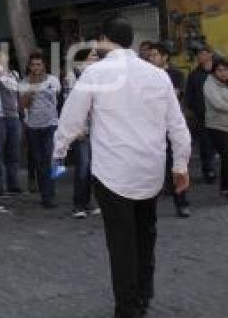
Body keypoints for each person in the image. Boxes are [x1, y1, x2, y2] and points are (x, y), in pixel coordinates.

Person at [54, 16, 190, 318]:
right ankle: (143, 293)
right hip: (150, 170)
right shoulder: (158, 75)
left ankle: (128, 307)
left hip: (113, 173)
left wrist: (59, 150)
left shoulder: (95, 73)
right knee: (146, 234)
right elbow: (177, 125)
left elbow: (72, 118)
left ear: (103, 40)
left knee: (121, 243)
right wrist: (180, 165)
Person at [148, 43, 191, 218]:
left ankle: (181, 202)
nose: (151, 58)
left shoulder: (176, 74)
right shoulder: (147, 75)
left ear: (165, 56)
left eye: (155, 55)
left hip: (171, 125)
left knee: (177, 164)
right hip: (151, 126)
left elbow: (172, 96)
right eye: (149, 55)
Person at [21, 52, 62, 209]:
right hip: (33, 127)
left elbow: (57, 99)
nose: (36, 67)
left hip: (51, 125)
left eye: (39, 64)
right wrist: (31, 89)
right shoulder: (24, 82)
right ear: (29, 67)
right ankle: (46, 193)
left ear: (44, 65)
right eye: (33, 65)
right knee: (39, 162)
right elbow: (23, 105)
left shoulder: (53, 80)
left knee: (51, 160)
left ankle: (49, 194)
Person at [65, 47, 100, 218]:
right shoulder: (73, 76)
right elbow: (69, 103)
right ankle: (78, 204)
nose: (96, 58)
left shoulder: (97, 77)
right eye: (92, 55)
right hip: (82, 129)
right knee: (83, 167)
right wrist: (77, 128)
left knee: (92, 168)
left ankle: (88, 202)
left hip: (97, 129)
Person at [0, 52, 21, 197]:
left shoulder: (15, 75)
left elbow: (18, 95)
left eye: (1, 56)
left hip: (13, 116)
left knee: (13, 152)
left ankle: (13, 183)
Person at [185, 45, 217, 183]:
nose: (200, 56)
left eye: (203, 53)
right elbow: (189, 95)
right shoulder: (194, 75)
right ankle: (209, 171)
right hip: (203, 116)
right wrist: (195, 109)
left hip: (221, 115)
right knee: (206, 145)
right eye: (199, 54)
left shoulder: (219, 71)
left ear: (210, 55)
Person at [204, 56, 228, 196]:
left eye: (226, 69)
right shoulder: (209, 84)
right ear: (214, 71)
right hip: (216, 126)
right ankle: (225, 188)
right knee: (226, 155)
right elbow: (218, 104)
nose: (223, 73)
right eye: (219, 70)